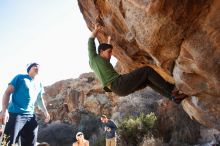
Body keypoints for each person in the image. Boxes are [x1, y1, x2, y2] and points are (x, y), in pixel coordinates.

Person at [87, 24, 188, 104]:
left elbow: (106, 48)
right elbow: (90, 41)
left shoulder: (103, 62)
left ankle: (174, 98)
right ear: (100, 52)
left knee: (147, 81)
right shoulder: (94, 58)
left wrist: (109, 40)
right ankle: (172, 89)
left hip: (119, 89)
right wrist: (96, 30)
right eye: (108, 52)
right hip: (119, 84)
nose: (110, 55)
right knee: (147, 70)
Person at [0, 62, 50, 146]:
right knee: (6, 142)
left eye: (39, 66)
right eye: (34, 66)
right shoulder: (20, 78)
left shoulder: (39, 84)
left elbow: (39, 100)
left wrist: (46, 112)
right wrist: (4, 111)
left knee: (30, 143)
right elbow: (7, 93)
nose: (37, 67)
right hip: (15, 115)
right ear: (29, 69)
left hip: (30, 116)